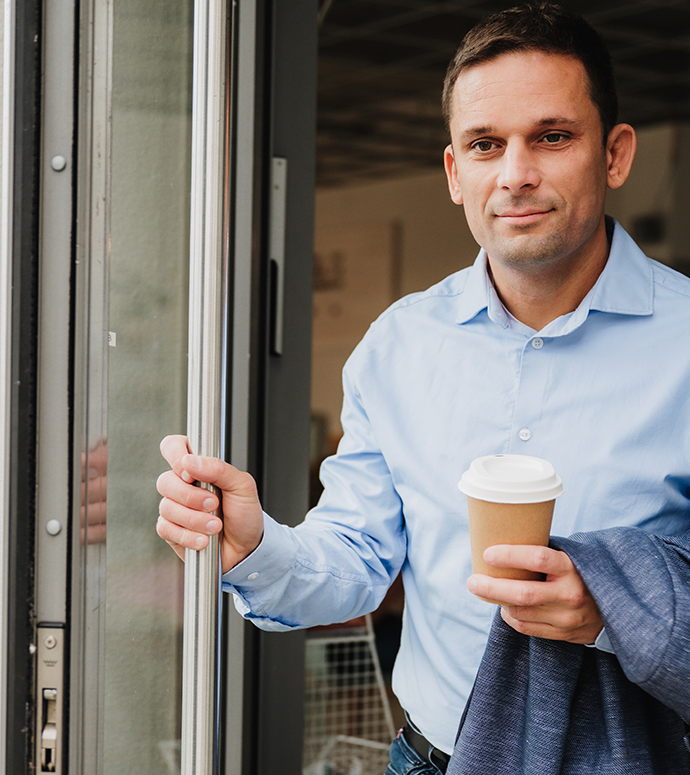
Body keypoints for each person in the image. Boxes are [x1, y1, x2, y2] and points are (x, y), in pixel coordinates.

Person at [156, 4, 690, 773]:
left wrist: (616, 610)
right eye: (485, 144)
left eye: (552, 136)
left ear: (615, 154)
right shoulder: (399, 345)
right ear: (454, 172)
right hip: (430, 759)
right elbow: (357, 557)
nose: (515, 173)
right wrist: (254, 545)